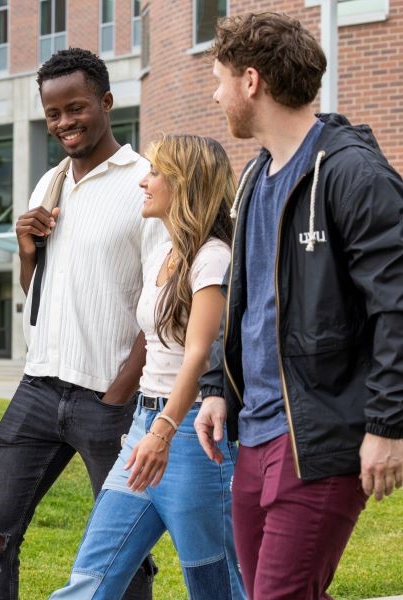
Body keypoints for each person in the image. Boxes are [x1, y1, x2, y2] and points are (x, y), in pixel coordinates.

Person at [197, 12, 403, 599]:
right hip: (255, 434)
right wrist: (217, 386)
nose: (216, 94)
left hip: (318, 436)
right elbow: (246, 301)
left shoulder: (352, 173)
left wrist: (387, 424)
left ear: (252, 81)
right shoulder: (255, 177)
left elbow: (397, 305)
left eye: (220, 79)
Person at [0, 47, 167, 600]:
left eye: (75, 108)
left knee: (123, 550)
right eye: (52, 114)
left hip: (109, 397)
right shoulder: (49, 185)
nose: (63, 123)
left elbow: (167, 300)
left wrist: (119, 391)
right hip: (38, 387)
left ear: (106, 102)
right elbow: (40, 295)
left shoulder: (146, 182)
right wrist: (26, 249)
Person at [50, 134, 245, 600]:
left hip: (193, 439)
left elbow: (199, 357)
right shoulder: (164, 253)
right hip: (145, 426)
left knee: (214, 587)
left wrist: (161, 431)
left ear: (185, 185)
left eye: (155, 172)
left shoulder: (213, 259)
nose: (144, 180)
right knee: (92, 578)